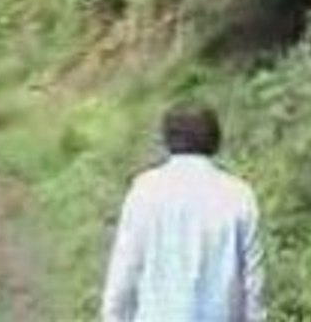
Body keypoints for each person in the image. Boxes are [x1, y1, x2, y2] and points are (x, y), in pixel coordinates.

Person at [101, 103, 266, 322]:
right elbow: (254, 284)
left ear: (167, 140)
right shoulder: (239, 195)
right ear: (215, 140)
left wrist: (114, 316)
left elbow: (125, 270)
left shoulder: (145, 191)